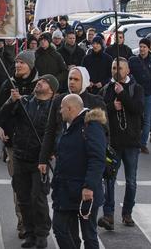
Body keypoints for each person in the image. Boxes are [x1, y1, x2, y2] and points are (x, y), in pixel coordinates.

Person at [0, 74, 56, 248]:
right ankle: (29, 233)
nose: (39, 82)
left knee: (38, 197)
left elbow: (57, 132)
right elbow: (3, 116)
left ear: (51, 89)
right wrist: (11, 101)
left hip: (40, 160)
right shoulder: (25, 101)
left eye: (44, 82)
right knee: (23, 197)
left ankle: (41, 233)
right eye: (40, 80)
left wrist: (52, 151)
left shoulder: (54, 107)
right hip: (20, 156)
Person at [50, 95, 106, 249]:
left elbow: (97, 159)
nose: (59, 111)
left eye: (61, 108)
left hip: (84, 192)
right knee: (60, 229)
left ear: (70, 108)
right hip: (66, 190)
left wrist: (89, 186)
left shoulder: (91, 126)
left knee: (89, 236)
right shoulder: (68, 126)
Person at [0, 51, 37, 239]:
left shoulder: (40, 85)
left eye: (22, 63)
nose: (18, 66)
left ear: (30, 66)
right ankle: (23, 222)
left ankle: (35, 222)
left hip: (34, 144)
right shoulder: (8, 84)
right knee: (19, 184)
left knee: (35, 188)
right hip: (14, 143)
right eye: (16, 62)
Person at [98, 59, 144, 231]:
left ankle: (127, 212)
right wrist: (112, 106)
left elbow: (137, 109)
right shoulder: (106, 89)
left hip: (131, 142)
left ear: (128, 70)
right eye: (113, 68)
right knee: (109, 178)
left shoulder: (136, 88)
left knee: (131, 181)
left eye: (120, 68)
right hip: (113, 143)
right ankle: (108, 214)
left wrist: (123, 94)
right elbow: (100, 110)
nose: (116, 71)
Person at [39, 67, 107, 177]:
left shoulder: (95, 102)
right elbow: (50, 130)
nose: (72, 82)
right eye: (70, 78)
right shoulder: (59, 100)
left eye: (76, 79)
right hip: (62, 157)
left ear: (84, 81)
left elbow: (104, 133)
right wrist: (43, 158)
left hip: (86, 159)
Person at [128, 37, 151, 154]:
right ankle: (135, 142)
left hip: (149, 94)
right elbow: (128, 75)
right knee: (136, 119)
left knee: (147, 119)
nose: (142, 49)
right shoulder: (133, 60)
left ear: (148, 48)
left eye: (144, 47)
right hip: (135, 94)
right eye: (140, 46)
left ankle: (142, 144)